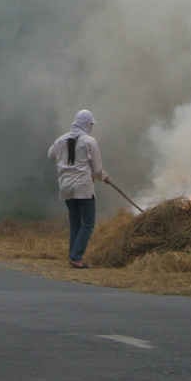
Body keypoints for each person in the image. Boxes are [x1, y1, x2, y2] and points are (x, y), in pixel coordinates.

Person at [47, 109, 109, 269]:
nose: (92, 127)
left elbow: (50, 154)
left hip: (66, 187)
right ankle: (76, 257)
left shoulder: (61, 140)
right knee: (88, 223)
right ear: (87, 124)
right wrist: (104, 177)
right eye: (91, 124)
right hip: (83, 187)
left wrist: (64, 161)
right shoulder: (89, 141)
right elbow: (97, 170)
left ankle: (73, 256)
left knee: (75, 223)